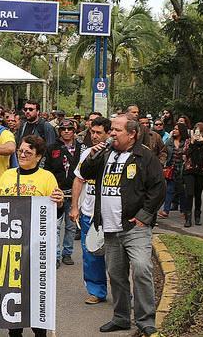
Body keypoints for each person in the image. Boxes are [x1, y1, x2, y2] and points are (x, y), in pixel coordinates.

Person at [0, 134, 63, 337]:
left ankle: (40, 332)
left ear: (38, 157)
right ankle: (15, 332)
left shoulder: (46, 177)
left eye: (28, 152)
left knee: (36, 293)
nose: (22, 154)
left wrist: (59, 201)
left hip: (37, 247)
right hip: (10, 246)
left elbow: (56, 212)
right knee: (13, 294)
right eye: (20, 151)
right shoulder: (8, 175)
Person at [79, 114, 164, 336]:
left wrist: (144, 216)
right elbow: (86, 173)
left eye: (117, 130)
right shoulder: (105, 153)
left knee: (142, 269)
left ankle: (145, 319)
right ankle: (121, 317)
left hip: (134, 227)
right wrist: (93, 155)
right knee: (116, 275)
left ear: (132, 134)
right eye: (112, 130)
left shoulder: (144, 157)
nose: (112, 133)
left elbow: (158, 189)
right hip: (109, 227)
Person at [71, 116, 111, 305]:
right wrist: (74, 207)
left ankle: (121, 292)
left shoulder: (116, 154)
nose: (94, 136)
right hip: (89, 213)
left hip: (111, 215)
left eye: (99, 133)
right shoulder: (86, 153)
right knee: (90, 254)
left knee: (115, 257)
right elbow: (79, 179)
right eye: (92, 132)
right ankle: (96, 291)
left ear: (108, 133)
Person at [44, 119, 83, 268]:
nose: (66, 131)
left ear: (74, 131)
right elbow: (46, 169)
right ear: (59, 131)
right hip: (56, 192)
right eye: (63, 129)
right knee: (55, 226)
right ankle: (56, 255)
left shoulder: (82, 147)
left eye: (69, 129)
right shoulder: (51, 148)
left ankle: (67, 253)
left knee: (71, 226)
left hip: (74, 193)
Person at [182, 123, 203, 227]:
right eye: (196, 131)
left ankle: (197, 216)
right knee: (189, 193)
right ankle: (188, 217)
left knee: (198, 195)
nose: (198, 134)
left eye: (200, 132)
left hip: (201, 171)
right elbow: (185, 152)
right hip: (189, 170)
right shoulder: (188, 141)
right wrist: (192, 142)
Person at [158, 122, 189, 219]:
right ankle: (165, 211)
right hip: (171, 169)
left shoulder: (186, 142)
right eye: (174, 129)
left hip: (182, 170)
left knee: (182, 191)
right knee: (169, 190)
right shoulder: (170, 141)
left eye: (176, 129)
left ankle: (184, 211)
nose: (174, 131)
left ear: (181, 131)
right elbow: (164, 152)